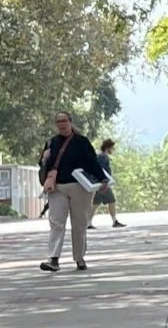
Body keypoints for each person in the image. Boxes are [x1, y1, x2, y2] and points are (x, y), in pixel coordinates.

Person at [38, 112, 104, 272]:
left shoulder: (81, 142)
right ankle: (53, 259)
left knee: (79, 223)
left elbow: (93, 162)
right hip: (58, 187)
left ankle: (79, 258)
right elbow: (43, 164)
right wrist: (44, 158)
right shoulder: (51, 142)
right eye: (58, 121)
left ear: (70, 122)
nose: (61, 124)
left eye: (64, 121)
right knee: (56, 222)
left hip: (79, 186)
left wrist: (103, 179)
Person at [93, 139, 126, 228]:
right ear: (108, 148)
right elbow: (101, 170)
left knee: (96, 203)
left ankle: (88, 222)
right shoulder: (103, 156)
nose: (113, 150)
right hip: (103, 183)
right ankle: (114, 221)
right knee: (111, 200)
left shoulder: (100, 155)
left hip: (99, 183)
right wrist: (105, 181)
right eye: (112, 148)